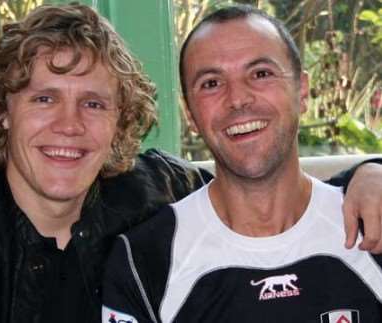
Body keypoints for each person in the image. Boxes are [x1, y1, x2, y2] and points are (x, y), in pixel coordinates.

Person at [0, 3, 379, 323]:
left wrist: (369, 172)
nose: (69, 126)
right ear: (2, 111)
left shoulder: (153, 190)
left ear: (120, 121)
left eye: (93, 103)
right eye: (44, 98)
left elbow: (259, 189)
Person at [101, 4, 382, 323]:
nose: (238, 99)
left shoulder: (372, 224)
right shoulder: (145, 259)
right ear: (190, 113)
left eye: (261, 74)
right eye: (211, 83)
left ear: (301, 91)